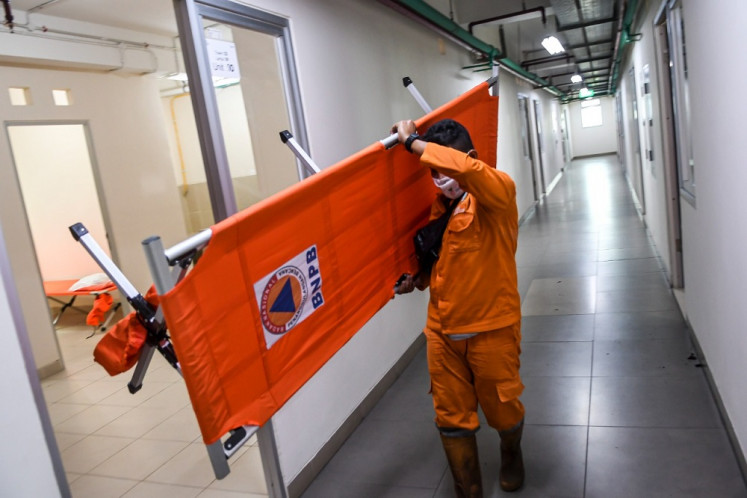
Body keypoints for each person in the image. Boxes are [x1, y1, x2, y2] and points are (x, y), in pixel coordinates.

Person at [392, 118, 525, 496]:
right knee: (450, 418)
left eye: (444, 169)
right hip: (442, 332)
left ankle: (511, 452)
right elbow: (441, 264)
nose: (441, 179)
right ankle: (469, 491)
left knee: (503, 410)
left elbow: (466, 171)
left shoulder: (497, 194)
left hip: (492, 329)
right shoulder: (440, 209)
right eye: (434, 173)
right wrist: (414, 282)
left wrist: (412, 143)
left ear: (470, 158)